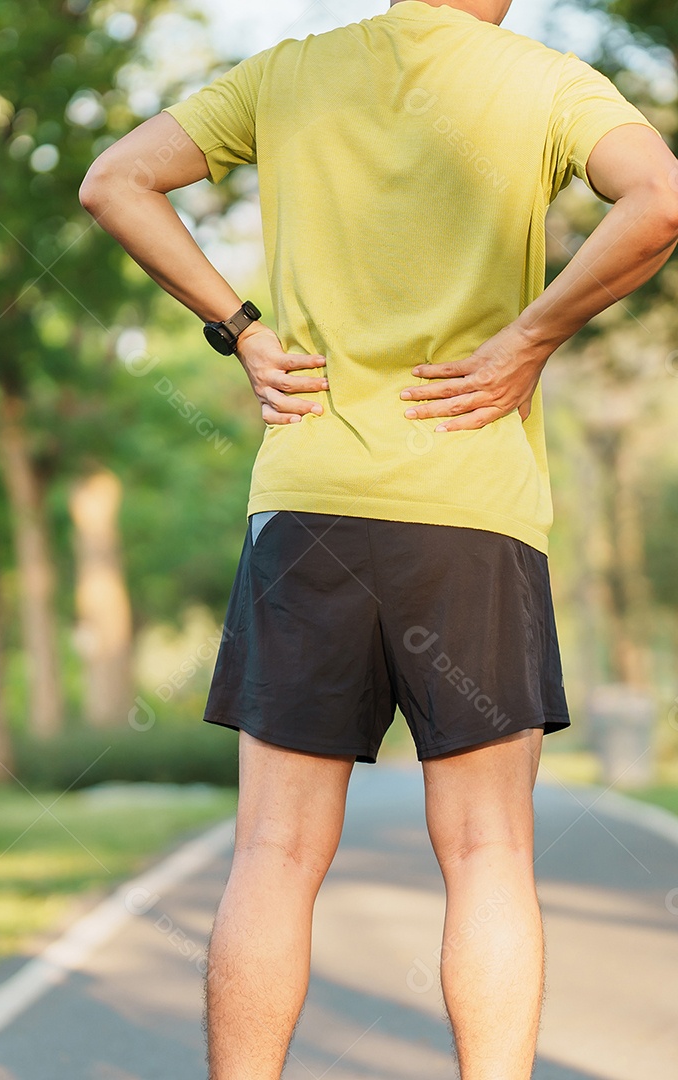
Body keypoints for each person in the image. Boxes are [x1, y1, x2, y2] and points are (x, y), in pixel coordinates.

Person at [79, 0, 678, 1075]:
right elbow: (662, 199)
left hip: (311, 504)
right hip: (471, 513)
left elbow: (114, 178)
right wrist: (531, 337)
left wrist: (240, 327)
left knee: (273, 852)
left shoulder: (286, 72)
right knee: (490, 854)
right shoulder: (545, 82)